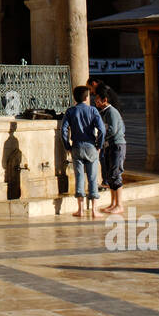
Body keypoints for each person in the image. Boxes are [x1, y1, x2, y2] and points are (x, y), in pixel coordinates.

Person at [61, 85, 105, 219]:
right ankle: (94, 210)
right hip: (91, 146)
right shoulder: (93, 111)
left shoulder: (70, 111)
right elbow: (102, 130)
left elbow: (63, 130)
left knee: (79, 177)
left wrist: (67, 146)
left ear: (75, 97)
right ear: (87, 98)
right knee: (92, 178)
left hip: (77, 147)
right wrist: (99, 145)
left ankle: (80, 210)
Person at [95, 86, 127, 214]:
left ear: (105, 100)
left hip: (117, 146)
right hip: (109, 146)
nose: (95, 102)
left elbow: (112, 130)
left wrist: (100, 138)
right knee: (110, 175)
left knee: (115, 174)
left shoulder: (111, 112)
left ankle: (119, 204)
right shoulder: (104, 112)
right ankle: (113, 203)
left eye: (97, 99)